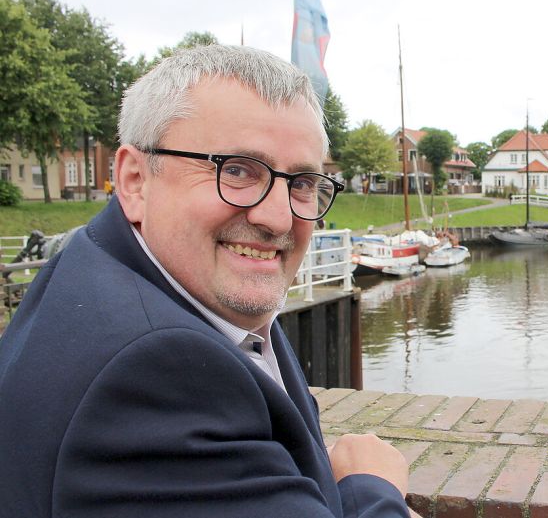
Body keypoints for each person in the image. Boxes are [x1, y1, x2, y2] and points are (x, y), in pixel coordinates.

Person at [0, 45, 410, 518]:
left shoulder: (96, 268)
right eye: (236, 170)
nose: (279, 219)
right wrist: (370, 486)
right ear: (135, 179)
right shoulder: (160, 373)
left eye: (301, 182)